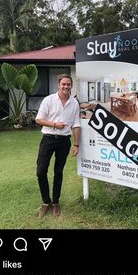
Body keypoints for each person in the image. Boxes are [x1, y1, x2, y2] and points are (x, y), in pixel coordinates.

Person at [35, 74, 80, 218]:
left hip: (64, 141)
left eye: (68, 84)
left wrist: (76, 144)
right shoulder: (49, 100)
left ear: (71, 86)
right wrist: (54, 124)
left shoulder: (74, 103)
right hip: (48, 138)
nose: (66, 86)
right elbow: (39, 119)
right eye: (63, 84)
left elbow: (77, 124)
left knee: (58, 172)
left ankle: (55, 203)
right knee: (41, 171)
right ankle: (45, 202)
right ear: (59, 85)